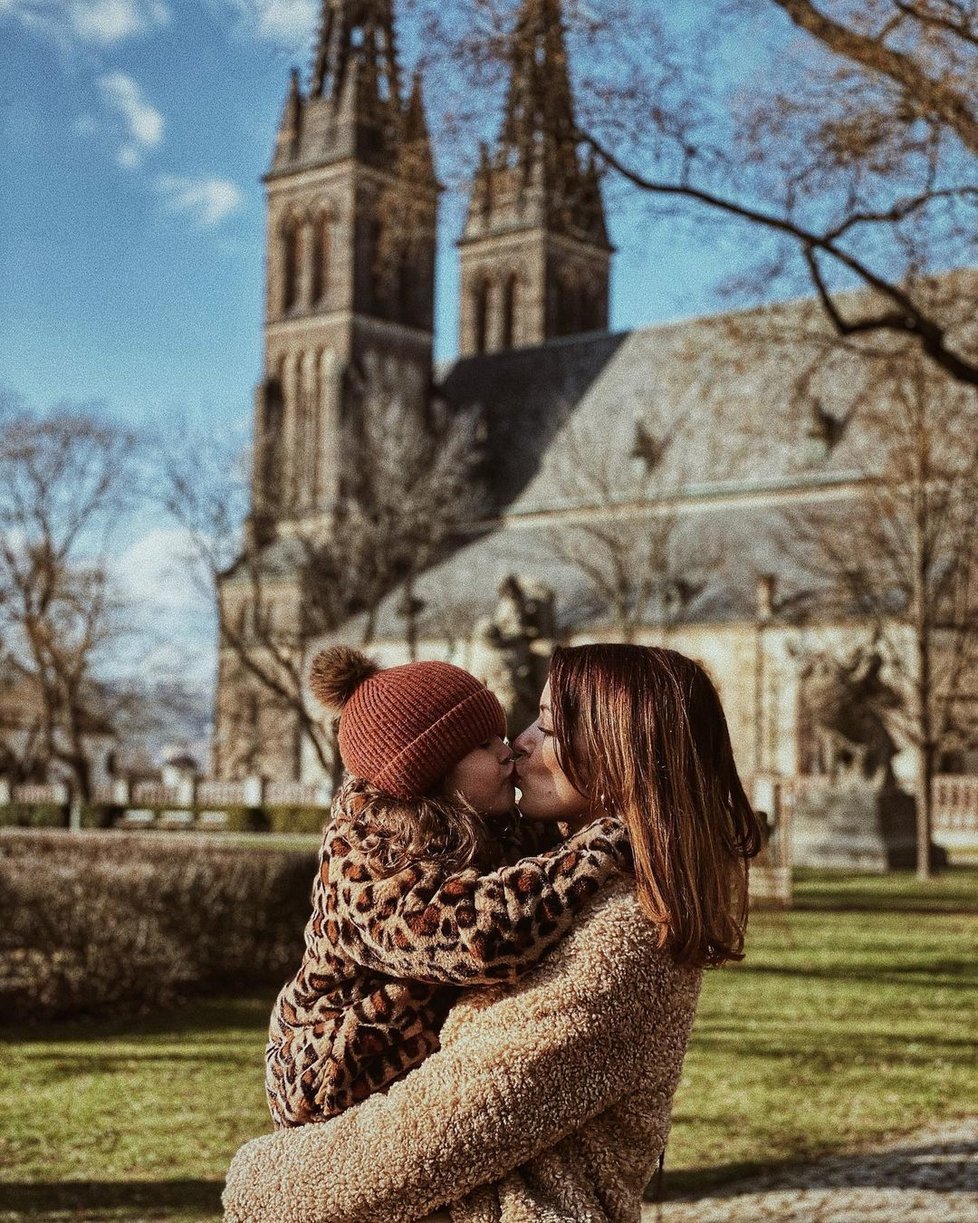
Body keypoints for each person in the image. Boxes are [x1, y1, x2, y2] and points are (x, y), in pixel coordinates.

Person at [227, 644, 763, 1223]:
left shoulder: (624, 932)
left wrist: (257, 1181)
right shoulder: (512, 867)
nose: (519, 742)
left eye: (549, 728)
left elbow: (444, 1129)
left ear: (622, 755)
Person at [265, 646, 631, 1129]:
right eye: (484, 745)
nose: (509, 751)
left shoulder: (490, 827)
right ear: (432, 774)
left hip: (411, 1069)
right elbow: (481, 938)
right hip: (330, 1068)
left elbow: (538, 872)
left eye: (501, 735)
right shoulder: (368, 857)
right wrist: (602, 846)